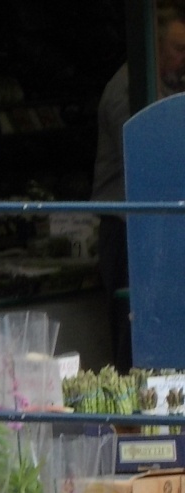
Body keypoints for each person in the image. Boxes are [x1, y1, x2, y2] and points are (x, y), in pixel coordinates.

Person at [92, 1, 185, 371]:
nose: (183, 58)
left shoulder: (166, 86)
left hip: (158, 227)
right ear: (156, 45)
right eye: (178, 49)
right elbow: (151, 159)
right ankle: (132, 421)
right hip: (128, 229)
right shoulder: (128, 90)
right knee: (133, 335)